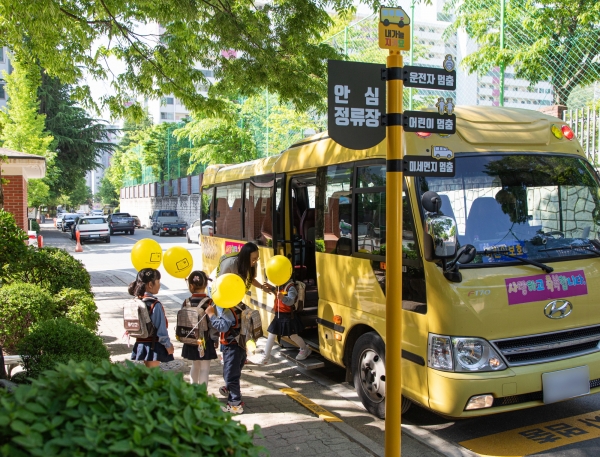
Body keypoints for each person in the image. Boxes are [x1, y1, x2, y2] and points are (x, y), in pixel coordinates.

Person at [207, 242, 271, 414]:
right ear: (245, 256)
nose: (255, 262)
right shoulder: (230, 265)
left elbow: (249, 278)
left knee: (232, 366)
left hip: (232, 301)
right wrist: (213, 314)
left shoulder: (247, 265)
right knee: (229, 325)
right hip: (223, 296)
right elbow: (222, 286)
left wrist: (262, 286)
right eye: (253, 258)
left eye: (257, 259)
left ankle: (232, 393)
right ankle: (232, 390)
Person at [128, 268, 174, 368]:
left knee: (145, 375)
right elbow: (161, 329)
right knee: (153, 376)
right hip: (154, 345)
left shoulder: (136, 301)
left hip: (140, 343)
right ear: (150, 284)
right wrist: (168, 345)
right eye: (158, 281)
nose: (159, 284)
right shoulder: (155, 304)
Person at [258, 278, 311, 364]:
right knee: (271, 335)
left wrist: (283, 298)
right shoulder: (280, 286)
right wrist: (272, 288)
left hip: (288, 316)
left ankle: (305, 348)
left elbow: (290, 301)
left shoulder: (290, 287)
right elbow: (278, 293)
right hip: (279, 314)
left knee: (293, 336)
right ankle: (266, 357)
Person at [181, 270, 217, 386]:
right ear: (206, 285)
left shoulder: (186, 302)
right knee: (205, 369)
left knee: (195, 365)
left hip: (191, 339)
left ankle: (193, 393)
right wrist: (215, 339)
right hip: (205, 340)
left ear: (191, 286)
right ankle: (202, 395)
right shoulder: (210, 302)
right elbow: (212, 324)